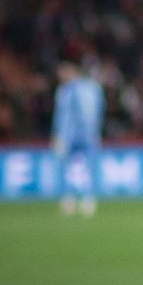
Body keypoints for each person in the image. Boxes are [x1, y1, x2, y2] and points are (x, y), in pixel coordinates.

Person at [52, 59, 104, 216]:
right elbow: (99, 112)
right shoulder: (94, 88)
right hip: (90, 134)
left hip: (69, 134)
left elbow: (62, 114)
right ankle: (89, 201)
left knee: (66, 167)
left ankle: (68, 200)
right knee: (89, 167)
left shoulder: (66, 90)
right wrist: (97, 133)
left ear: (72, 71)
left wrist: (58, 135)